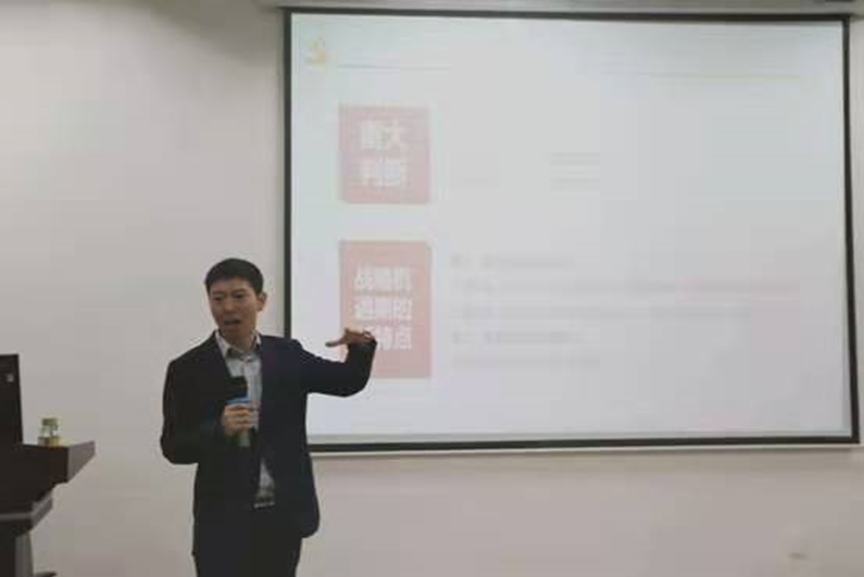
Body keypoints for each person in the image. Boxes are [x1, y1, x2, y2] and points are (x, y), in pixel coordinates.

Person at [160, 258, 376, 577]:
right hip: (222, 523)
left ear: (260, 300)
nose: (228, 307)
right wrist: (218, 429)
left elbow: (346, 382)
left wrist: (361, 348)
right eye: (218, 298)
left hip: (281, 519)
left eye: (239, 296)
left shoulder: (287, 355)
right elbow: (173, 447)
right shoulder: (188, 368)